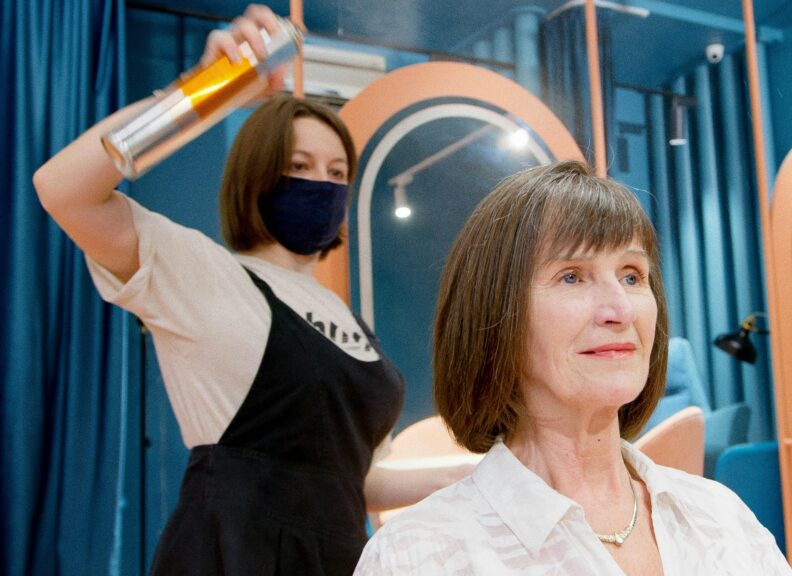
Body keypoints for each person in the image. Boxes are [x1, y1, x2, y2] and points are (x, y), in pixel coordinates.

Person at [34, 5, 468, 574]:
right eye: (301, 164)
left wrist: (479, 471)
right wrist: (207, 92)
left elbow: (356, 478)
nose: (324, 184)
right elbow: (64, 189)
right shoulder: (200, 273)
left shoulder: (344, 317)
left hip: (338, 555)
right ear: (258, 175)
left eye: (338, 173)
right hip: (232, 552)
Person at [355, 160, 792, 575]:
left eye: (631, 275)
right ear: (495, 313)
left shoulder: (721, 516)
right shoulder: (418, 555)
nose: (619, 309)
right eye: (572, 276)